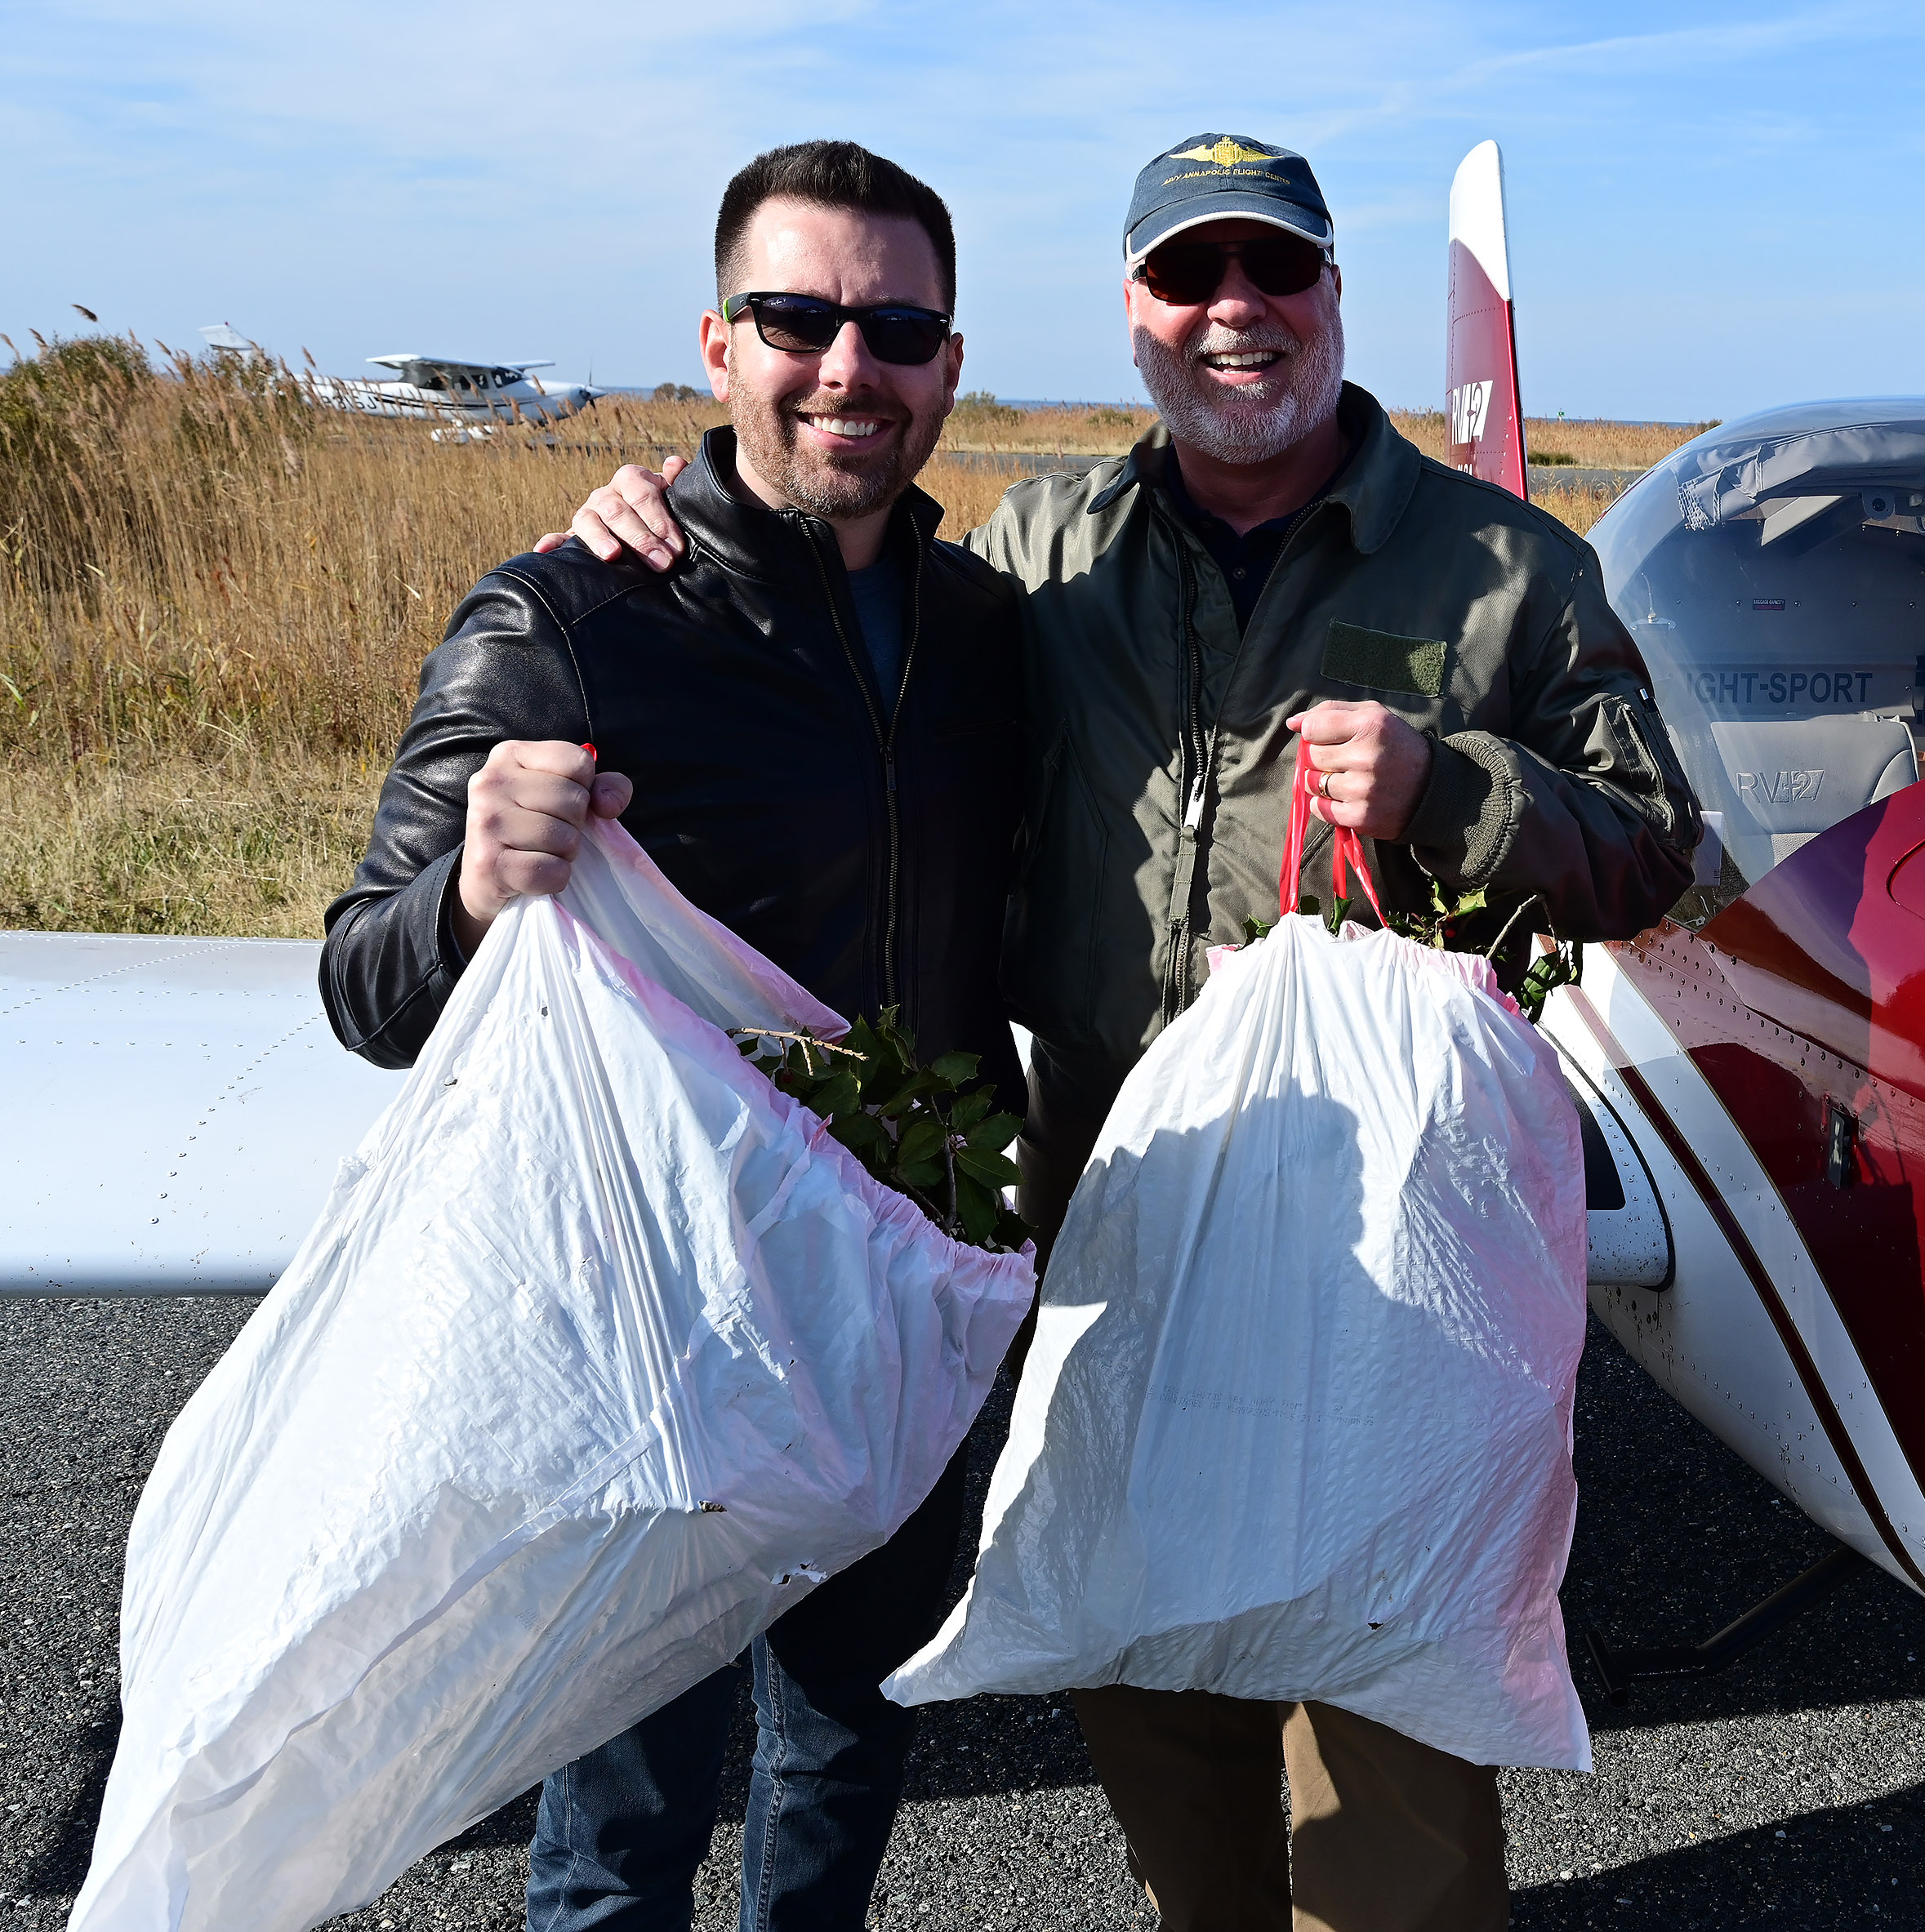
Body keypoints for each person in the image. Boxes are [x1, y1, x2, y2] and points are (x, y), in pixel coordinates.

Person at [550, 132, 1700, 1931]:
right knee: (1162, 1734)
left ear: (1332, 297)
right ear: (1133, 315)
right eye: (1189, 277)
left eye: (1275, 271)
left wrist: (1455, 788)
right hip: (1117, 1230)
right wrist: (653, 528)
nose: (1234, 312)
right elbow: (832, 616)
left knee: (1380, 1809)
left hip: (1386, 1278)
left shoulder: (1504, 571)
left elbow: (1653, 849)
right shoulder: (1042, 551)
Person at [322, 138, 1027, 1932]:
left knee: (845, 1753)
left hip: (902, 1306)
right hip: (656, 1325)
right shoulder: (570, 612)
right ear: (716, 342)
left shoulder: (988, 635)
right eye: (798, 317)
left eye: (897, 326)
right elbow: (368, 987)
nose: (847, 367)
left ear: (949, 361)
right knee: (623, 1820)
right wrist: (475, 884)